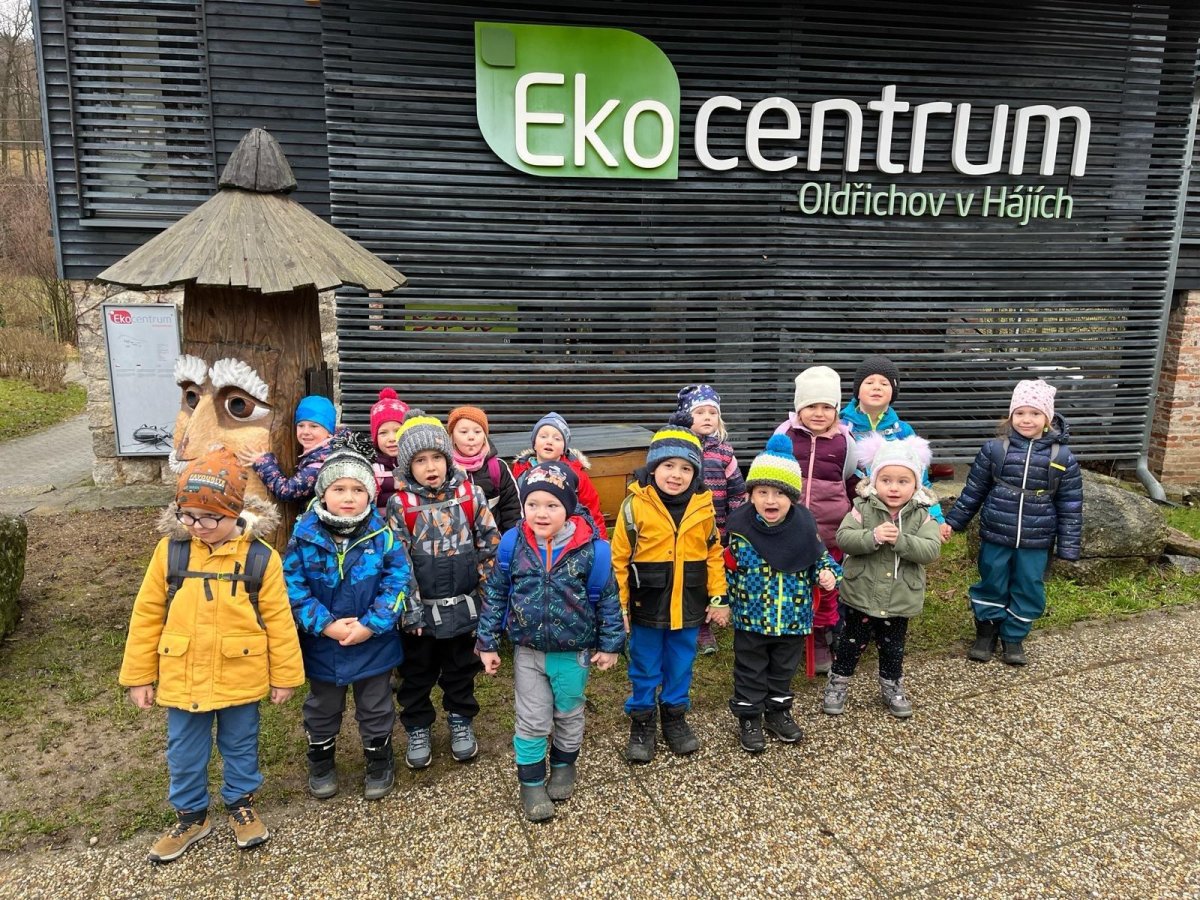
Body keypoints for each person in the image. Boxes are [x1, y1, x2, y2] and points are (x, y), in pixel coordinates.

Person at [119, 449, 304, 863]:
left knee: (240, 745)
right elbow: (147, 614)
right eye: (187, 515)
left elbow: (279, 620)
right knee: (184, 751)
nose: (197, 526)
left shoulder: (261, 557)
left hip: (241, 672)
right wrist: (139, 676)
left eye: (209, 518)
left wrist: (285, 676)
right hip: (182, 674)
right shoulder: (170, 552)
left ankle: (241, 804)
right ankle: (191, 817)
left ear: (234, 511)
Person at [475, 460, 624, 821]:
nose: (541, 513)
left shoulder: (592, 550)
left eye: (552, 505)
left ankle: (563, 764)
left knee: (569, 714)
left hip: (573, 653)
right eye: (533, 504)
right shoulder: (513, 545)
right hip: (528, 651)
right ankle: (530, 783)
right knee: (531, 720)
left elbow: (608, 599)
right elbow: (496, 594)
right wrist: (487, 642)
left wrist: (610, 645)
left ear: (569, 507)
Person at [283, 432, 420, 801]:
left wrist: (371, 625)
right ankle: (321, 757)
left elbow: (398, 582)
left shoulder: (382, 535)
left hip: (372, 642)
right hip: (323, 643)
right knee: (323, 706)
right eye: (339, 489)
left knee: (375, 704)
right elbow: (292, 586)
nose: (348, 497)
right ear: (322, 493)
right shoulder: (304, 536)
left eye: (358, 490)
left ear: (370, 495)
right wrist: (324, 624)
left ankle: (379, 757)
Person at [385, 410, 500, 769]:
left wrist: (487, 600)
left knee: (460, 670)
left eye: (436, 457)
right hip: (421, 613)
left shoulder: (471, 495)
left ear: (448, 458)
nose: (430, 467)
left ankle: (461, 719)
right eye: (420, 460)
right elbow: (398, 562)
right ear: (408, 465)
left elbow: (490, 547)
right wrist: (411, 610)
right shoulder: (400, 505)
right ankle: (418, 726)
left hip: (464, 607)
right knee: (416, 673)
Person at [612, 412, 728, 763]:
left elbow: (714, 553)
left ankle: (675, 716)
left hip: (689, 604)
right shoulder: (634, 506)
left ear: (696, 473)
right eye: (668, 466)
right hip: (646, 605)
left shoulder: (703, 507)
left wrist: (719, 597)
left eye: (686, 468)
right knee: (645, 665)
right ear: (653, 467)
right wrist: (620, 608)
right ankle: (642, 719)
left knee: (680, 664)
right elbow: (619, 560)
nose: (676, 475)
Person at [945, 379, 1083, 666]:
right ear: (1010, 416)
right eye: (1019, 413)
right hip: (996, 533)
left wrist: (1068, 546)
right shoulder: (995, 450)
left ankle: (1014, 637)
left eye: (1034, 413)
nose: (1026, 419)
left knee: (1029, 585)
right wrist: (953, 522)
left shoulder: (1062, 457)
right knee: (992, 580)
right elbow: (974, 491)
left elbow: (1070, 504)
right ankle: (986, 633)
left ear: (1047, 418)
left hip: (1037, 539)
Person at [726, 435, 840, 752]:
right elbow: (727, 568)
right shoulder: (740, 530)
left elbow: (820, 559)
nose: (770, 500)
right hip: (751, 618)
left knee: (782, 671)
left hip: (793, 618)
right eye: (762, 492)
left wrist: (828, 575)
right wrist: (723, 601)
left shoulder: (803, 526)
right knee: (749, 670)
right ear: (751, 495)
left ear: (793, 497)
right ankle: (749, 716)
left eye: (779, 493)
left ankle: (778, 712)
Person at [824, 434, 943, 718]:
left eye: (903, 481)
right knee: (850, 642)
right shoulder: (862, 508)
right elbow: (843, 538)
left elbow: (931, 550)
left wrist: (901, 541)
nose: (894, 488)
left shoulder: (922, 515)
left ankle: (892, 685)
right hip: (861, 593)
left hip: (900, 596)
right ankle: (838, 683)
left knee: (893, 647)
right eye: (886, 480)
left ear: (916, 484)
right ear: (874, 481)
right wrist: (872, 537)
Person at [775, 366, 857, 673]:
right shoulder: (785, 434)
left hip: (829, 532)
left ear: (836, 409)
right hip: (789, 531)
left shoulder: (844, 440)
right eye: (811, 406)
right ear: (799, 407)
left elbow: (849, 477)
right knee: (790, 585)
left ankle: (821, 638)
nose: (819, 413)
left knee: (825, 587)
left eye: (826, 407)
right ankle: (789, 638)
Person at [840, 356, 951, 539]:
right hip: (850, 513)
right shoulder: (841, 427)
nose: (877, 387)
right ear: (857, 391)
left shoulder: (903, 432)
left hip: (895, 516)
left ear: (893, 393)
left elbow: (920, 479)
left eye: (884, 383)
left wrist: (937, 518)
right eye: (869, 382)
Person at [676, 383, 747, 656]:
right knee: (689, 574)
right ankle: (690, 619)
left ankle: (707, 622)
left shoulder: (724, 452)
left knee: (711, 573)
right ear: (686, 416)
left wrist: (735, 523)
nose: (707, 417)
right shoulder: (679, 449)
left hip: (717, 528)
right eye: (700, 412)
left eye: (712, 413)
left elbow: (737, 491)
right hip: (685, 528)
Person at [512, 412, 608, 539]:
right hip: (530, 535)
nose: (549, 441)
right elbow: (512, 508)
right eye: (543, 436)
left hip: (569, 536)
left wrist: (601, 541)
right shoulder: (521, 472)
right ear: (534, 443)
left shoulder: (576, 474)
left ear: (564, 448)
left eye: (557, 439)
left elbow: (592, 510)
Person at [238, 395, 338, 504]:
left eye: (314, 426)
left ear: (329, 432)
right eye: (301, 425)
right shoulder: (329, 450)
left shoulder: (321, 465)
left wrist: (264, 464)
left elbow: (287, 491)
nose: (305, 432)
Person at [449, 405, 521, 532]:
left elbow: (512, 509)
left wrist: (511, 539)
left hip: (494, 539)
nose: (471, 437)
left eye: (477, 431)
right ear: (452, 436)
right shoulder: (444, 469)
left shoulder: (498, 468)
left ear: (484, 436)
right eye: (464, 432)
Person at [369, 387, 409, 511]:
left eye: (398, 431)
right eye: (383, 433)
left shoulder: (416, 463)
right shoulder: (371, 466)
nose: (392, 438)